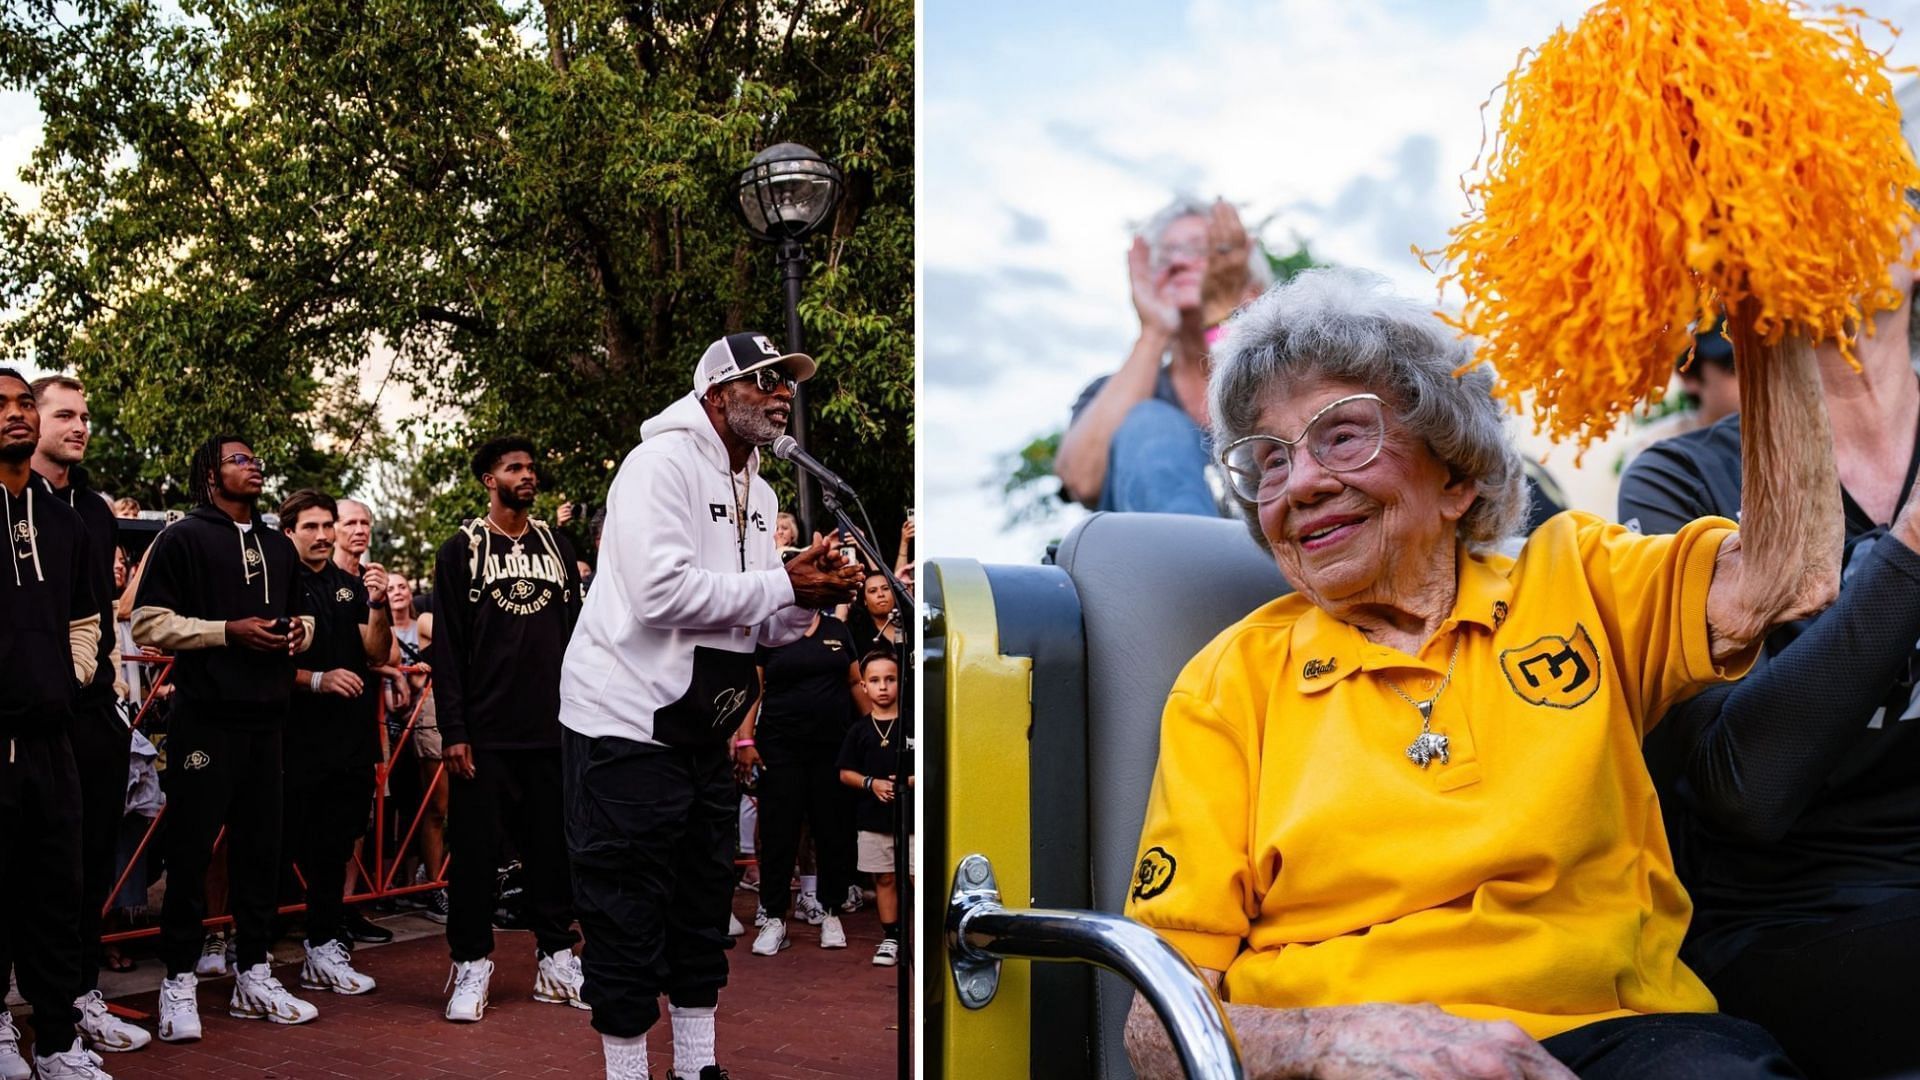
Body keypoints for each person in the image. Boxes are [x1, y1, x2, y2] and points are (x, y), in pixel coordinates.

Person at [1122, 270, 1835, 1079]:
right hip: (1349, 1059)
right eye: (1270, 461)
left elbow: (1793, 574)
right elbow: (1156, 1027)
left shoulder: (1578, 579)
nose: (1304, 483)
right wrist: (1339, 1043)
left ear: (1456, 476)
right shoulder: (1226, 684)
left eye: (1342, 434)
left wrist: (1762, 309)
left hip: (1624, 1041)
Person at [1619, 248, 1920, 1078]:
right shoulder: (1681, 481)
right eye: (1798, 188)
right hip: (1793, 921)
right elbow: (1740, 790)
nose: (1837, 217)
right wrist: (1908, 554)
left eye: (1867, 184)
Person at [559, 331, 863, 1080]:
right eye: (762, 381)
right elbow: (661, 594)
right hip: (625, 723)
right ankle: (627, 1071)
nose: (781, 392)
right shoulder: (656, 466)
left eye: (786, 381)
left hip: (701, 729)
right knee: (626, 910)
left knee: (702, 908)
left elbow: (756, 620)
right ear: (715, 395)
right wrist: (785, 586)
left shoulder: (759, 489)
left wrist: (806, 597)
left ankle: (697, 1066)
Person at [132, 434, 319, 1041]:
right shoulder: (183, 537)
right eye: (239, 459)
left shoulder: (276, 543)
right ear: (210, 473)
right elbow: (149, 621)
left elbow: (306, 614)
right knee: (189, 854)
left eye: (256, 457)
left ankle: (254, 972)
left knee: (261, 852)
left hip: (268, 721)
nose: (254, 465)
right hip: (205, 720)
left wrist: (300, 636)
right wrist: (227, 631)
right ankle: (179, 980)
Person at [430, 435, 585, 1023]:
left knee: (552, 852)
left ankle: (555, 958)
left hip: (551, 728)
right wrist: (454, 730)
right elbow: (448, 648)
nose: (528, 474)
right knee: (474, 857)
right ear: (488, 480)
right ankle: (470, 963)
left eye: (530, 465)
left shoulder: (558, 545)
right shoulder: (460, 550)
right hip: (485, 734)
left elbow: (576, 638)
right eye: (513, 467)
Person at [24, 376, 150, 1054]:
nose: (79, 426)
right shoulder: (15, 501)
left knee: (89, 865)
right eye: (63, 414)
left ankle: (79, 994)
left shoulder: (96, 511)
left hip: (94, 710)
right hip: (31, 716)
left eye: (85, 416)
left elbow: (98, 615)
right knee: (27, 868)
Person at [0, 367, 111, 1080]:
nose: (15, 415)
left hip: (53, 737)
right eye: (0, 406)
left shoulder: (66, 521)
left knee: (55, 894)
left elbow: (86, 619)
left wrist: (62, 685)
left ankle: (60, 1040)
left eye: (20, 403)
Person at [1054, 196, 1271, 515]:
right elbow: (1082, 481)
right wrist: (1153, 331)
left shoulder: (1287, 376)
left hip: (1273, 557)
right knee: (1149, 423)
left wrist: (1226, 314)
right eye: (1164, 257)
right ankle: (1193, 565)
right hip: (1160, 561)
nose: (1176, 264)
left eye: (1199, 249)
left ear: (1250, 289)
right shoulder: (1110, 393)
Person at [277, 490, 387, 997]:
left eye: (328, 526)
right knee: (271, 848)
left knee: (334, 849)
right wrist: (316, 679)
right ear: (288, 532)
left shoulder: (349, 586)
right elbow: (261, 663)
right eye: (312, 527)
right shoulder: (275, 584)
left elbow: (375, 652)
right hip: (291, 739)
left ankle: (322, 950)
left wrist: (381, 604)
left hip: (351, 739)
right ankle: (242, 954)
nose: (322, 535)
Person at [736, 606, 863, 957]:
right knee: (779, 832)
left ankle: (831, 912)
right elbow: (754, 688)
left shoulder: (837, 629)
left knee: (832, 831)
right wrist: (746, 740)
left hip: (833, 748)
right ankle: (774, 917)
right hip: (779, 748)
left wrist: (875, 730)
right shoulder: (771, 630)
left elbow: (854, 681)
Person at [837, 650, 909, 967]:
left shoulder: (913, 723)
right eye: (875, 680)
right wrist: (872, 784)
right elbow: (844, 772)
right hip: (874, 818)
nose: (883, 687)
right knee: (885, 879)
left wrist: (912, 780)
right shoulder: (859, 730)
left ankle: (919, 940)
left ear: (901, 682)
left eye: (890, 679)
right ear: (863, 686)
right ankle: (891, 936)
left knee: (917, 877)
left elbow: (936, 763)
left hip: (912, 820)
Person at [845, 570, 901, 665]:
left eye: (886, 588)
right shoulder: (853, 632)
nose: (881, 594)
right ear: (864, 600)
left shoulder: (911, 624)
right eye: (873, 591)